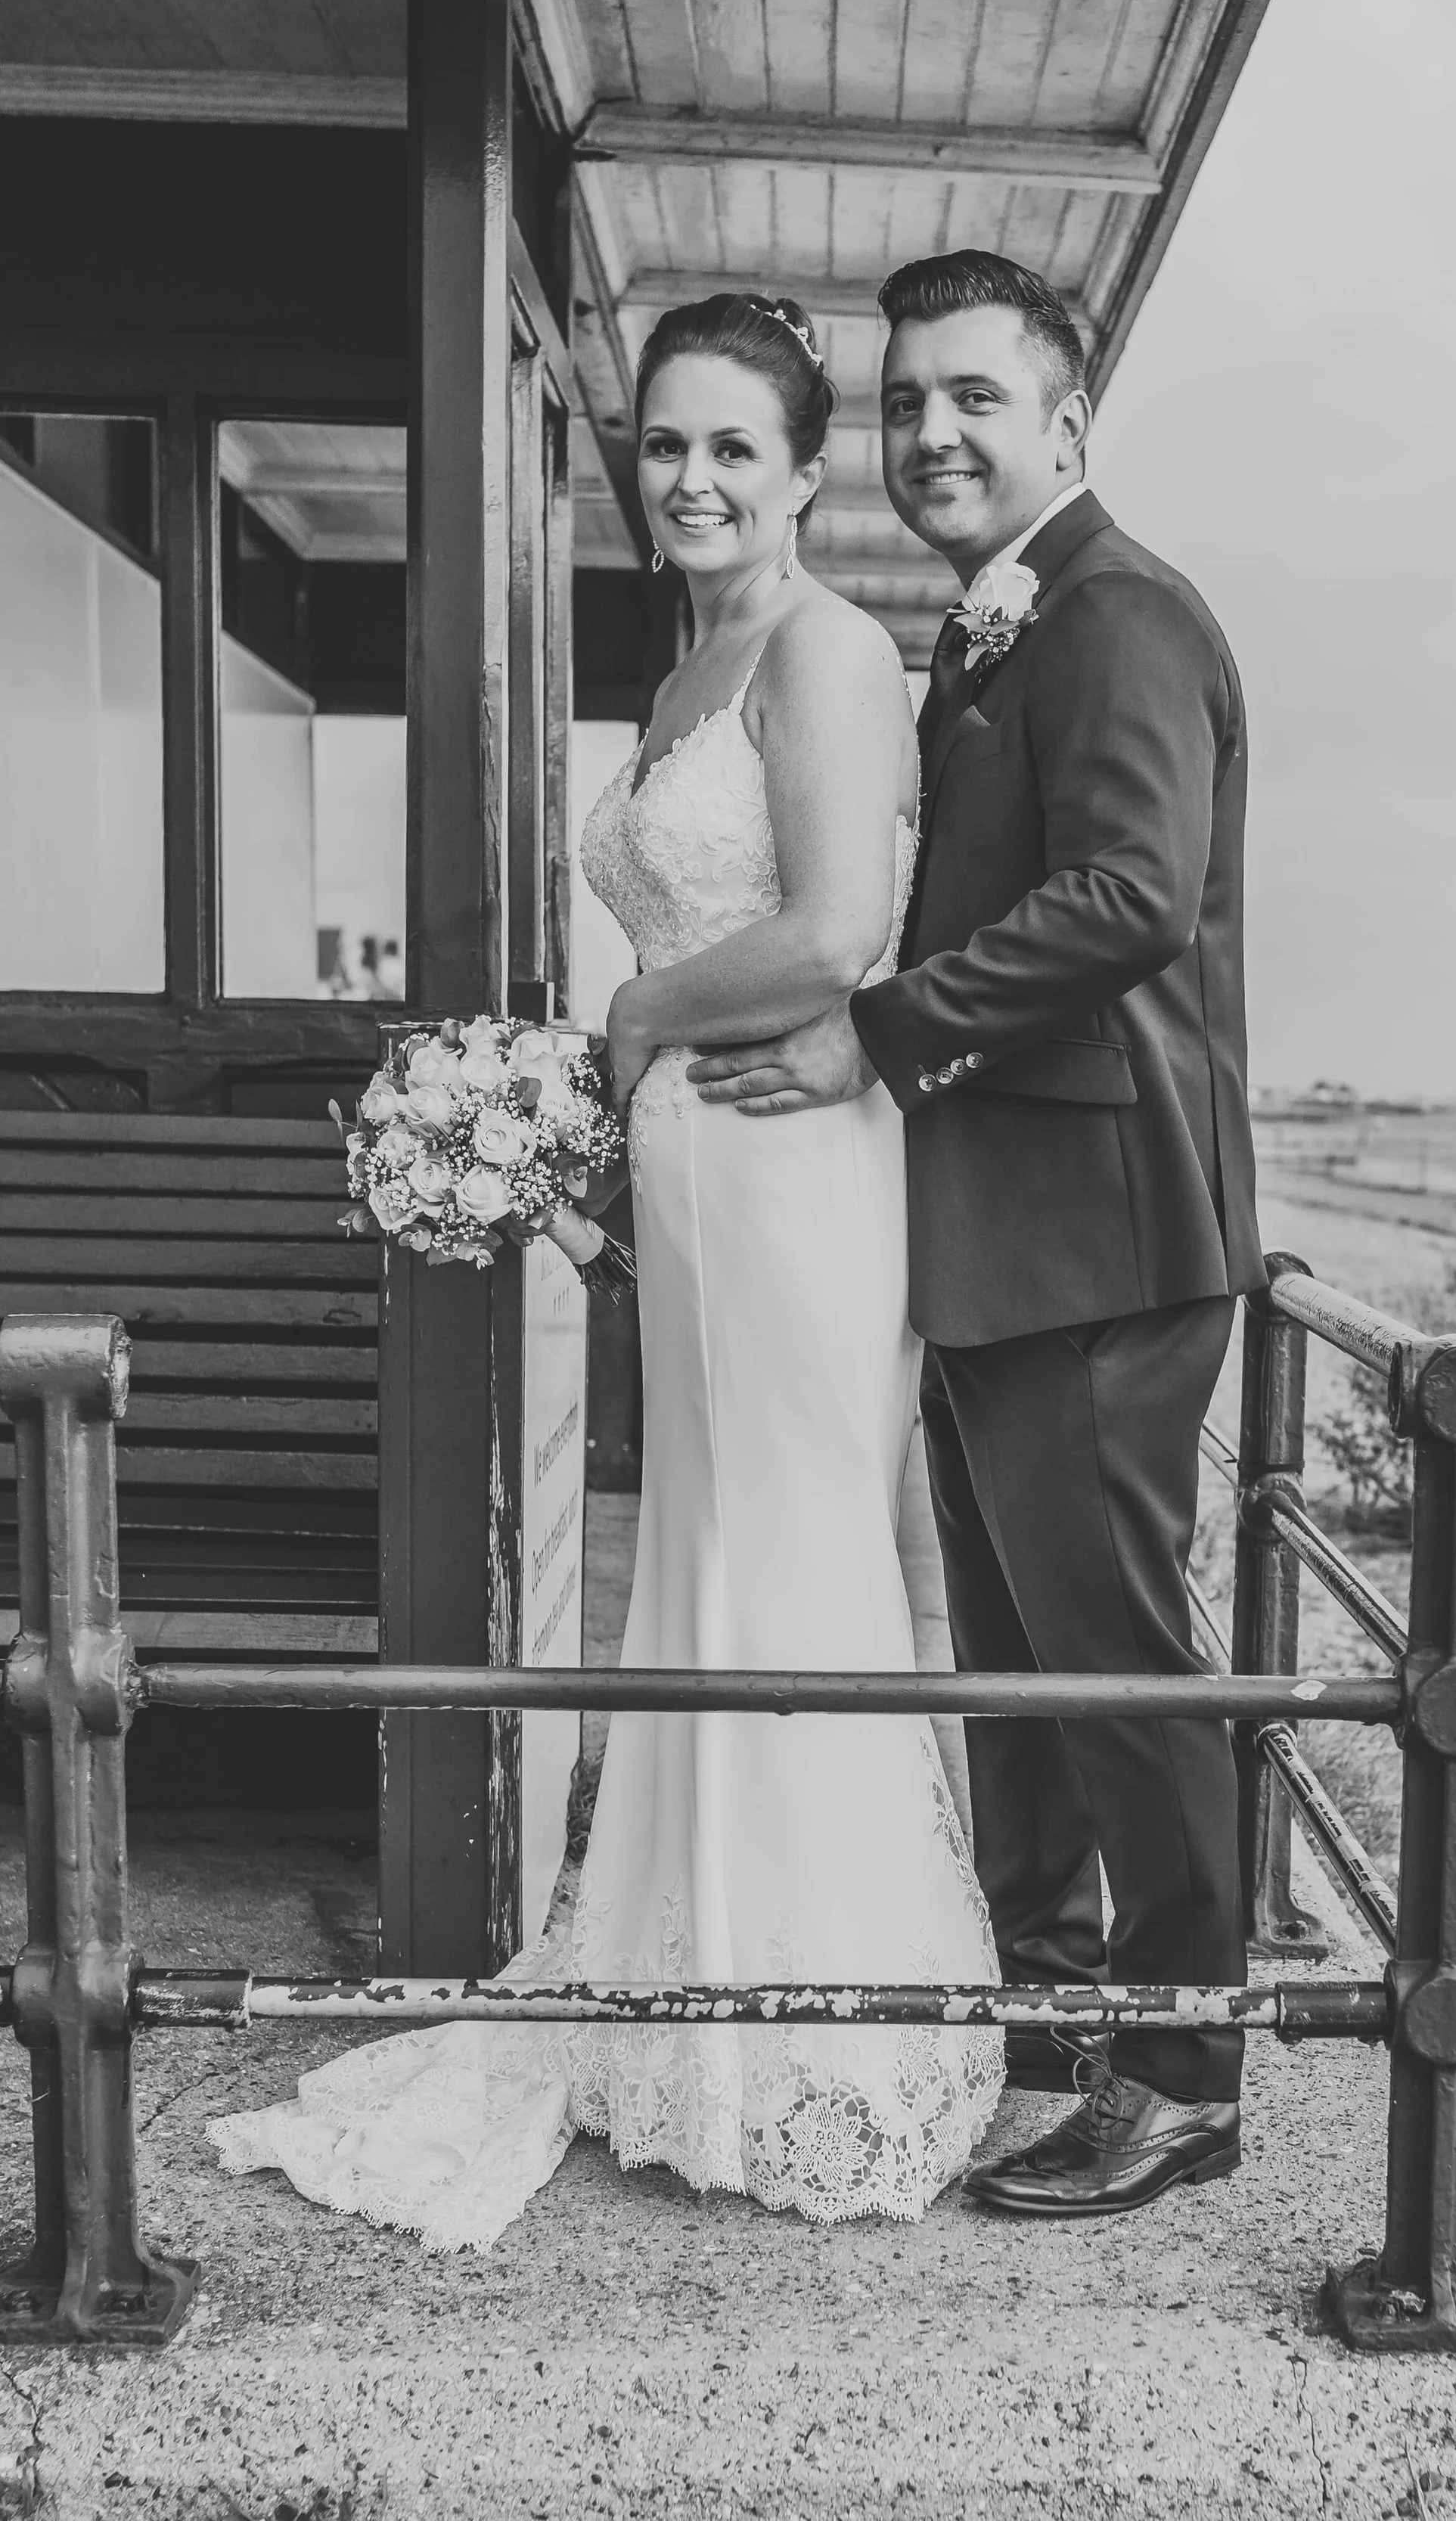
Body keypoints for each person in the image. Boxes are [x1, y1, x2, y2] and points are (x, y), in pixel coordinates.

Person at [210, 293, 1004, 2249]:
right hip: (688, 1175)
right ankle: (685, 2003)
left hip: (799, 1168)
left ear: (804, 469)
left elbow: (827, 932)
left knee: (793, 1560)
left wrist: (633, 1009)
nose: (695, 478)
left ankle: (820, 2037)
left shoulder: (820, 649)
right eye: (666, 444)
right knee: (700, 1563)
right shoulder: (686, 665)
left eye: (736, 444)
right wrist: (581, 1119)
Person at [691, 250, 1265, 2218]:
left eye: (973, 399)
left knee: (1109, 1661)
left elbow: (1128, 897)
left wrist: (875, 1029)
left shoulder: (1115, 613)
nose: (934, 433)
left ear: (1064, 421)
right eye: (910, 401)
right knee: (1018, 1656)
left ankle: (1185, 2071)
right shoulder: (1003, 625)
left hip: (1102, 1230)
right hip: (1000, 1225)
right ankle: (1047, 2009)